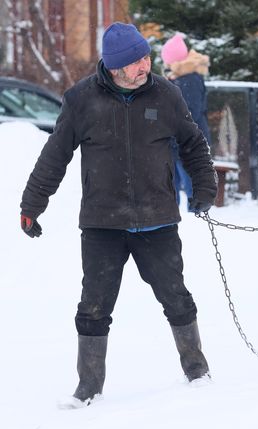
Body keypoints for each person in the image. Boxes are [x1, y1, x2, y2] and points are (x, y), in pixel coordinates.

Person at [19, 22, 218, 409]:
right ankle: (88, 388)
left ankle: (197, 369)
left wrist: (204, 188)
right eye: (135, 61)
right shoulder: (81, 100)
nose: (145, 65)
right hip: (102, 223)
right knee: (93, 306)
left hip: (157, 218)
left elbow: (193, 144)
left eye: (146, 57)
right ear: (114, 68)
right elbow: (55, 155)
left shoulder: (166, 94)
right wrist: (32, 204)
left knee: (175, 296)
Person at [161, 33, 212, 212]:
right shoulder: (179, 79)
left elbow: (190, 113)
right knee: (172, 177)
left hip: (188, 141)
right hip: (177, 140)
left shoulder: (188, 80)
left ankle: (196, 210)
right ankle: (172, 209)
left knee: (190, 176)